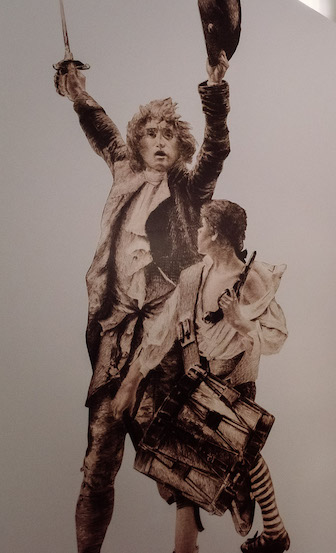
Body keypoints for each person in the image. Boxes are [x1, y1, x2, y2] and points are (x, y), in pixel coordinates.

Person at [54, 52, 232, 553]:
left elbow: (217, 148)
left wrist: (215, 91)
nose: (158, 141)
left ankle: (187, 544)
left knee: (167, 449)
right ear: (139, 143)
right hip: (113, 330)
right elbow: (100, 126)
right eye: (150, 134)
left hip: (161, 334)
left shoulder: (192, 190)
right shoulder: (123, 169)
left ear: (180, 147)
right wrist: (78, 92)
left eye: (168, 136)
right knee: (99, 455)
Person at [113, 200, 291, 553]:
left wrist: (242, 323)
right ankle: (194, 548)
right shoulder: (194, 277)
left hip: (235, 385)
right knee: (183, 464)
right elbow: (161, 332)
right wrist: (132, 381)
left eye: (200, 227)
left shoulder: (251, 281)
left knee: (243, 456)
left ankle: (273, 533)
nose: (195, 232)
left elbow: (276, 339)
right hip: (197, 384)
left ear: (215, 234)